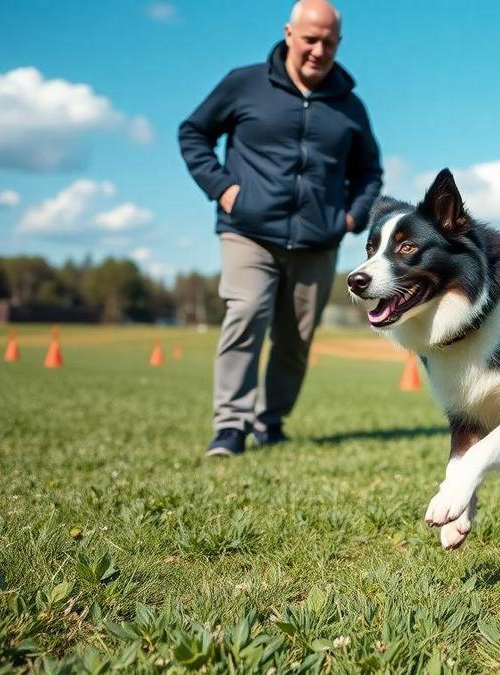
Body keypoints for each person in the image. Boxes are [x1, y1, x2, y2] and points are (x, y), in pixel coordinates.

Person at [178, 0, 382, 456]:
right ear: (289, 33)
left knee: (295, 340)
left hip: (317, 240)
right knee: (246, 312)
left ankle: (269, 421)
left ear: (339, 44)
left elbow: (370, 172)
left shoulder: (350, 106)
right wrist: (225, 190)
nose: (318, 50)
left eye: (328, 42)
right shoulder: (244, 84)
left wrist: (350, 218)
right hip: (248, 230)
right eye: (310, 39)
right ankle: (230, 427)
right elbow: (193, 133)